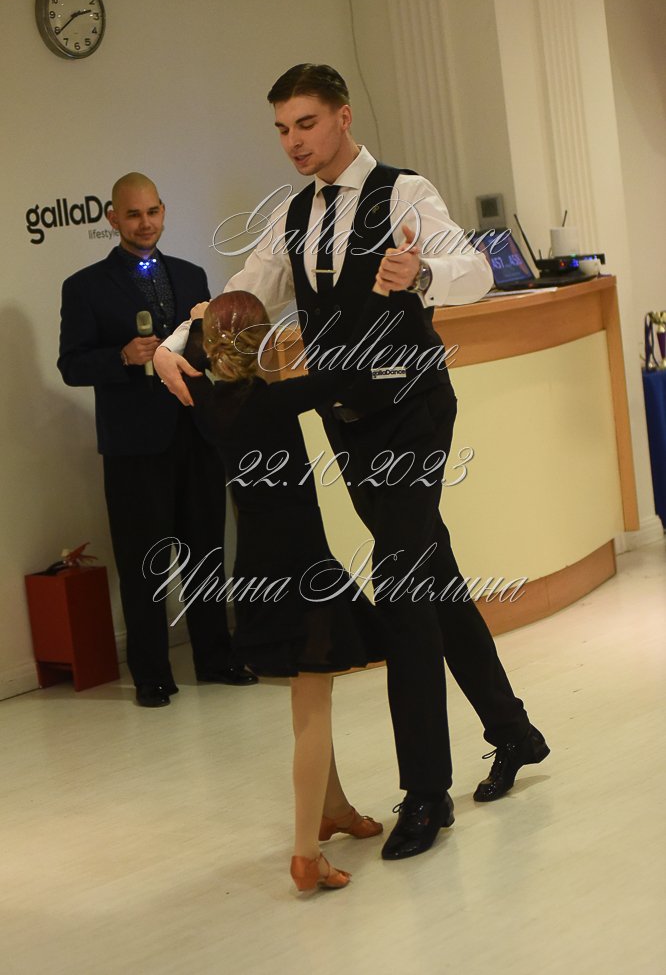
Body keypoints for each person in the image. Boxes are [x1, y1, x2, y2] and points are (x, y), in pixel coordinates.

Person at [156, 65, 549, 858]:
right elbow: (246, 292)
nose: (293, 142)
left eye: (305, 123)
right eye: (281, 129)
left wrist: (425, 273)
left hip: (414, 410)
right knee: (430, 573)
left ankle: (426, 792)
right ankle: (513, 730)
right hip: (350, 422)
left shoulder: (404, 192)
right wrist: (176, 342)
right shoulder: (293, 215)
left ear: (342, 116)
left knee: (402, 588)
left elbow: (476, 269)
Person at [176, 283, 403, 891]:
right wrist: (381, 299)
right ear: (263, 344)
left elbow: (174, 359)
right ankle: (305, 854)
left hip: (255, 568)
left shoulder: (204, 403)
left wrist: (195, 324)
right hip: (302, 566)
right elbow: (349, 373)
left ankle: (334, 809)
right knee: (313, 708)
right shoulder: (279, 400)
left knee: (308, 694)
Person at [57, 172, 257, 708]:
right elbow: (71, 365)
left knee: (206, 551)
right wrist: (122, 357)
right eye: (133, 214)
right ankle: (151, 672)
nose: (145, 223)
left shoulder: (191, 275)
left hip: (196, 432)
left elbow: (209, 349)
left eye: (152, 212)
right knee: (143, 559)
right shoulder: (85, 287)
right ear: (113, 219)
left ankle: (215, 658)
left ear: (163, 211)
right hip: (134, 446)